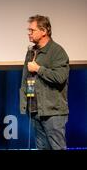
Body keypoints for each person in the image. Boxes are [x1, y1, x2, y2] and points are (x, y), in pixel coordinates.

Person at [20, 15, 69, 150]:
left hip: (53, 112)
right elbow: (26, 79)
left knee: (57, 147)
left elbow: (60, 77)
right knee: (41, 147)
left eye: (32, 30)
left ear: (44, 31)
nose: (29, 33)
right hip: (36, 110)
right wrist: (25, 103)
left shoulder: (57, 51)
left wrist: (39, 69)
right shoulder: (31, 52)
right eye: (28, 30)